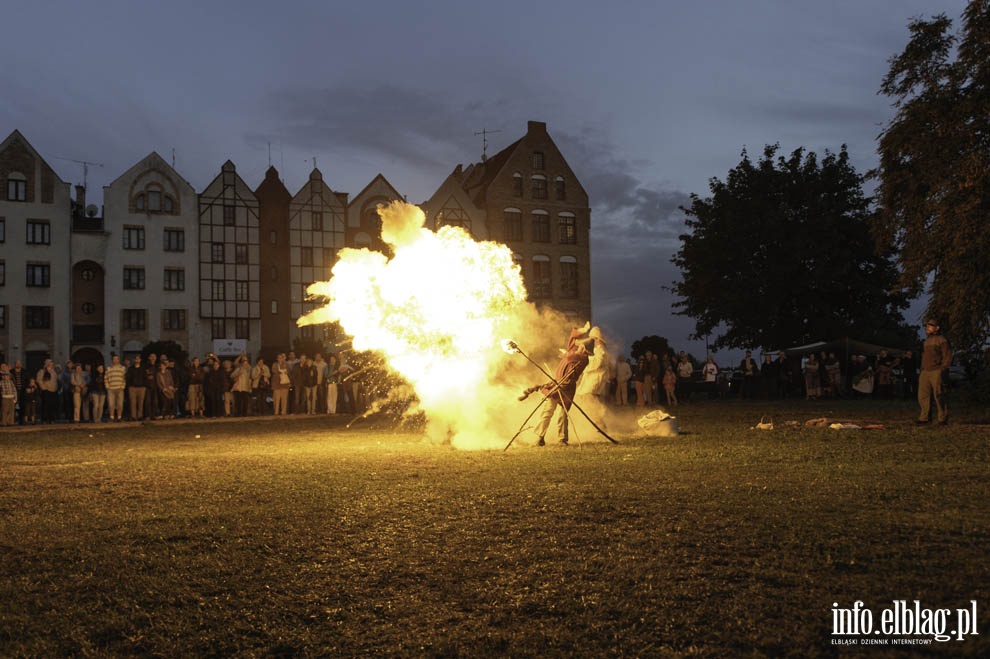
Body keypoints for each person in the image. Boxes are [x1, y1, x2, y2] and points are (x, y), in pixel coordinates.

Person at [533, 323, 594, 446]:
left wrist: (565, 353)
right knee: (547, 411)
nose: (578, 346)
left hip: (567, 387)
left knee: (562, 414)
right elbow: (573, 337)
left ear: (585, 349)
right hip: (555, 384)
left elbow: (571, 357)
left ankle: (562, 439)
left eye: (581, 345)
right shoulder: (573, 350)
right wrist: (584, 330)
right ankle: (539, 437)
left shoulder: (583, 358)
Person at [917, 318, 951, 425]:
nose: (927, 327)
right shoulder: (926, 341)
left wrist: (943, 368)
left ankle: (942, 418)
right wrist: (922, 368)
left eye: (930, 325)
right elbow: (924, 356)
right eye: (927, 326)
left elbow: (947, 355)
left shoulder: (942, 340)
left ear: (937, 328)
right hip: (925, 371)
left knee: (939, 394)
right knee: (923, 395)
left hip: (936, 370)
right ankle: (924, 418)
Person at [575, 326, 611, 426]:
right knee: (587, 399)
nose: (594, 342)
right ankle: (594, 424)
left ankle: (599, 425)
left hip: (596, 378)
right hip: (593, 378)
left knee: (590, 399)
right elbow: (595, 359)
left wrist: (586, 359)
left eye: (594, 339)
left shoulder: (601, 349)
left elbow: (598, 362)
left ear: (597, 339)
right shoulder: (598, 350)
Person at [105, 354, 127, 421]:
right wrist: (107, 386)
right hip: (111, 389)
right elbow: (106, 378)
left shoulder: (122, 368)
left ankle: (119, 417)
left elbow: (124, 378)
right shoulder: (108, 368)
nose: (115, 360)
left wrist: (123, 386)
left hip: (120, 388)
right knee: (111, 404)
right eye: (114, 359)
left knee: (120, 404)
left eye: (116, 359)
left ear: (118, 360)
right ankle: (111, 417)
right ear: (112, 360)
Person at [126, 354, 146, 421]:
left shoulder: (143, 368)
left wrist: (144, 385)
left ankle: (140, 416)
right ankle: (133, 416)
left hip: (141, 387)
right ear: (134, 360)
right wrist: (129, 386)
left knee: (141, 402)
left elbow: (145, 377)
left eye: (138, 359)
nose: (137, 360)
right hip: (132, 388)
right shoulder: (130, 369)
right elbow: (128, 378)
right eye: (136, 359)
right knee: (133, 403)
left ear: (140, 360)